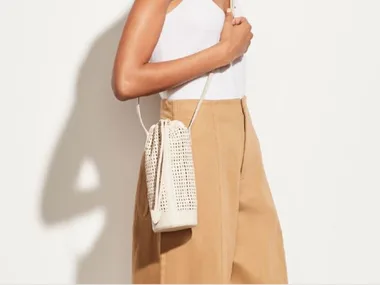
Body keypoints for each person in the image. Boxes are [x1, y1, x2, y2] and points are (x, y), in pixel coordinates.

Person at [112, 0, 288, 283]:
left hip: (241, 132)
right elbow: (126, 80)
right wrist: (224, 52)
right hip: (192, 136)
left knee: (261, 268)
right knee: (192, 271)